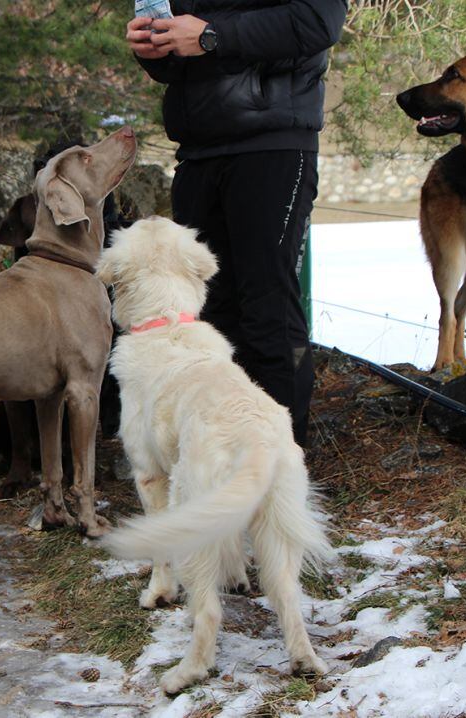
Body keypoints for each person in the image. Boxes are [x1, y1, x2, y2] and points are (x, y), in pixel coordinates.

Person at [125, 0, 346, 444]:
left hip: (273, 143)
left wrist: (210, 36)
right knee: (210, 313)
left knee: (268, 309)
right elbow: (179, 58)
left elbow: (318, 22)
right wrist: (154, 48)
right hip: (198, 149)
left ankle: (281, 463)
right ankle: (227, 455)